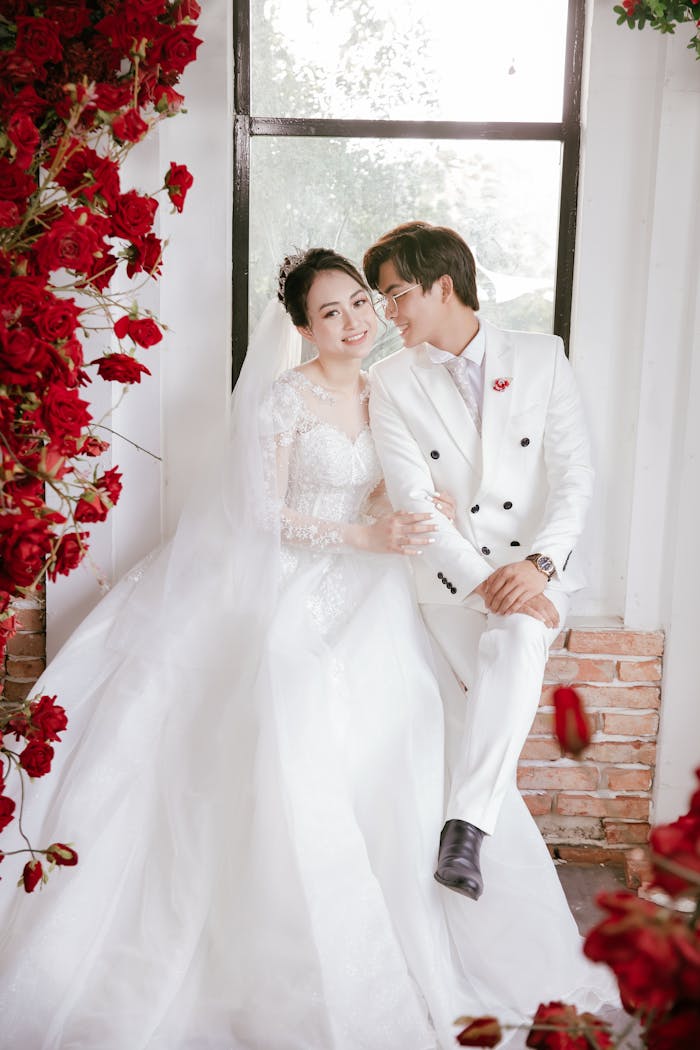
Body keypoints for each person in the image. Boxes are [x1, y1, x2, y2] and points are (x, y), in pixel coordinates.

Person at [0, 248, 615, 1049]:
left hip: (382, 590)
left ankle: (450, 872)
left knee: (407, 731)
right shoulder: (285, 401)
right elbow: (260, 516)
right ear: (302, 327)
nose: (358, 321)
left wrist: (436, 527)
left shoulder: (397, 387)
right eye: (333, 312)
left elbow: (424, 485)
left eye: (363, 303)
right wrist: (363, 533)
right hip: (299, 579)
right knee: (288, 721)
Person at [364, 221, 595, 902]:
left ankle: (464, 830)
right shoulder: (390, 380)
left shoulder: (541, 355)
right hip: (450, 582)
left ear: (443, 285)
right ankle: (467, 853)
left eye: (396, 293)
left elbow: (575, 477)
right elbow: (413, 501)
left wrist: (540, 568)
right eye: (381, 299)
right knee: (479, 711)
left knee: (521, 635)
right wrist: (489, 581)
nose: (387, 312)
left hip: (536, 573)